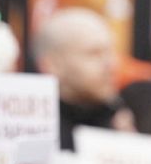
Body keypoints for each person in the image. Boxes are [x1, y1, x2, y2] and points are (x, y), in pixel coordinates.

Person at [32, 8, 134, 150]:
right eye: (94, 53)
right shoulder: (32, 131)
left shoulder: (121, 118)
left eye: (110, 52)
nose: (111, 64)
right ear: (52, 65)